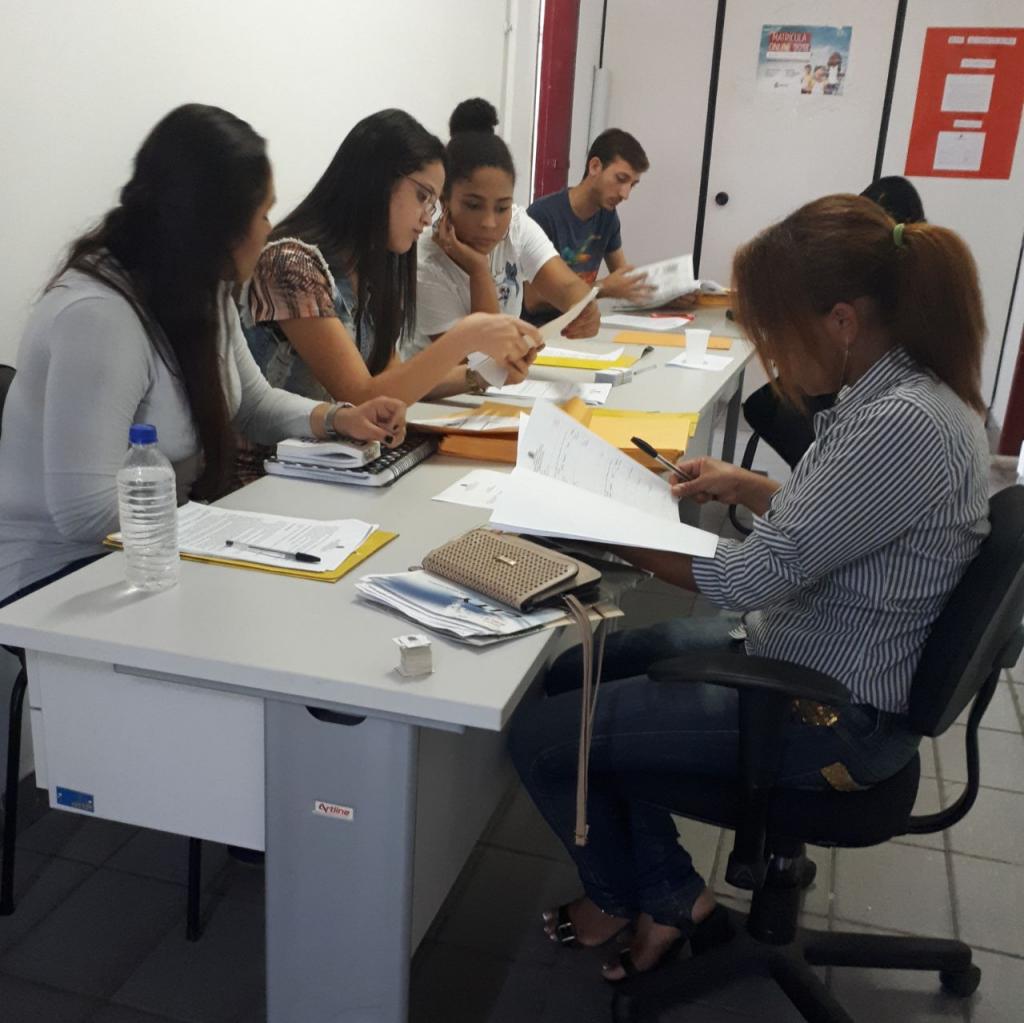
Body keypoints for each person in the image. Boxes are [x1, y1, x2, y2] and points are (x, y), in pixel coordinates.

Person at [509, 193, 990, 982]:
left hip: (833, 714)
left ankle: (640, 898)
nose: (770, 356)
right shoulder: (901, 391)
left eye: (774, 334)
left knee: (541, 734)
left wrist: (596, 520)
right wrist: (748, 486)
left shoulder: (903, 423)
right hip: (804, 649)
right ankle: (666, 891)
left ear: (841, 321)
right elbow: (849, 521)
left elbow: (740, 578)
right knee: (573, 674)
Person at [0, 104, 406, 608]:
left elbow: (252, 403)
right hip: (58, 579)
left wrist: (338, 418)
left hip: (154, 550)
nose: (270, 228)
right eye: (263, 213)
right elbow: (84, 513)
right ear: (219, 227)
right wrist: (216, 525)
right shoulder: (99, 316)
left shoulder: (200, 286)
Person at [244, 109, 541, 405]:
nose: (427, 218)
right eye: (422, 197)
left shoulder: (370, 270)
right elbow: (359, 395)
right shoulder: (290, 265)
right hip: (282, 439)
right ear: (377, 181)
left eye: (433, 204)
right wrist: (466, 335)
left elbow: (393, 381)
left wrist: (482, 375)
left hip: (341, 437)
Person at [401, 99, 599, 366]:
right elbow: (483, 362)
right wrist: (479, 270)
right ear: (444, 201)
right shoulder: (425, 263)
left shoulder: (516, 226)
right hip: (438, 390)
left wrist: (584, 307)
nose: (489, 223)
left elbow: (566, 286)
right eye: (473, 205)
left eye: (502, 207)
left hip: (497, 385)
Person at [524, 128, 699, 321]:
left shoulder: (607, 216)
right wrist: (602, 288)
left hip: (580, 325)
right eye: (621, 179)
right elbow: (533, 301)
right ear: (594, 167)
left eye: (632, 185)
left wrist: (669, 297)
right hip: (541, 330)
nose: (625, 194)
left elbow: (626, 282)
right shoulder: (542, 215)